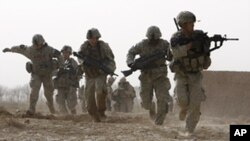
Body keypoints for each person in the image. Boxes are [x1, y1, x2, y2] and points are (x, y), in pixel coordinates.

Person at [170, 11, 211, 135]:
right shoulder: (176, 38)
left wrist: (204, 48)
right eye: (189, 23)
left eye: (193, 23)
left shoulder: (200, 36)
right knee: (182, 100)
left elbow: (206, 58)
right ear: (182, 24)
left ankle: (189, 129)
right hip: (181, 74)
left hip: (196, 75)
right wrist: (190, 46)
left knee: (195, 103)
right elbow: (175, 53)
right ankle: (183, 108)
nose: (192, 25)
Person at [2, 34, 63, 115]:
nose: (37, 46)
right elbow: (20, 49)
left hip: (47, 74)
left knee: (48, 94)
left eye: (39, 44)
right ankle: (31, 109)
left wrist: (59, 65)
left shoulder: (49, 50)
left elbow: (59, 55)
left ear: (42, 43)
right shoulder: (30, 50)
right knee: (34, 91)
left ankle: (52, 108)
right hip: (36, 74)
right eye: (36, 44)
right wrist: (10, 49)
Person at [126, 26, 172, 125]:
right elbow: (131, 52)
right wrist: (130, 63)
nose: (154, 41)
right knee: (145, 102)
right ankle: (151, 107)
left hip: (160, 75)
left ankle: (159, 122)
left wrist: (170, 55)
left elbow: (171, 55)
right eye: (151, 39)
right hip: (146, 76)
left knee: (162, 99)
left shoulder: (164, 44)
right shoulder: (142, 45)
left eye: (156, 39)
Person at [77, 28, 116, 122]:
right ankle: (94, 115)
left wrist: (108, 69)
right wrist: (85, 63)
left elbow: (111, 60)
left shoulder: (103, 47)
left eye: (95, 38)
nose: (93, 41)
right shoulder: (84, 47)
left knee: (100, 91)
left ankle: (101, 112)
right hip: (89, 74)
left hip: (100, 74)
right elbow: (79, 57)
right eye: (91, 39)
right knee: (89, 98)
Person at [53, 45, 79, 115]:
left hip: (70, 85)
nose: (65, 54)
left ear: (70, 53)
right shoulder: (58, 62)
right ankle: (65, 117)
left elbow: (78, 73)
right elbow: (52, 72)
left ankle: (74, 116)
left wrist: (73, 74)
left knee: (71, 104)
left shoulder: (73, 62)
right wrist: (59, 72)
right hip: (60, 86)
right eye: (63, 53)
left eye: (67, 53)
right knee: (60, 103)